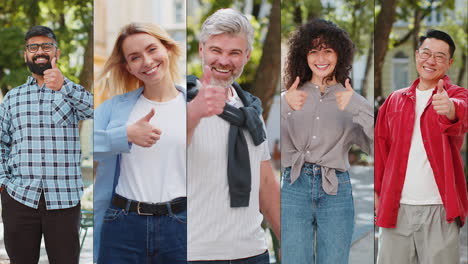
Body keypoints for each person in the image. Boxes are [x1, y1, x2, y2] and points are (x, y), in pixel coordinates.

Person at [186, 8, 280, 263]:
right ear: (201, 50)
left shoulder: (251, 111)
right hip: (193, 253)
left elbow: (266, 184)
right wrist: (193, 114)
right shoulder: (179, 101)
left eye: (234, 53)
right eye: (216, 50)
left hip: (253, 252)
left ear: (247, 56)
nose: (224, 61)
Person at [281, 19, 373, 264]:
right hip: (294, 185)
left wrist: (357, 105)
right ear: (304, 56)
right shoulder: (289, 96)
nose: (320, 58)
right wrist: (284, 106)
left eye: (327, 50)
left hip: (336, 188)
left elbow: (379, 144)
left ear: (339, 55)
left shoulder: (352, 98)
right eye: (313, 51)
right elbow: (267, 142)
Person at [93, 23, 187, 264]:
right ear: (128, 67)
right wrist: (126, 134)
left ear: (167, 49)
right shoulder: (115, 108)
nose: (146, 61)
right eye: (135, 57)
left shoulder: (193, 105)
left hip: (182, 225)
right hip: (123, 224)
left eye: (152, 49)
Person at [0, 25, 93, 264]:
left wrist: (65, 85)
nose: (39, 51)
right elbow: (1, 143)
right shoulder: (12, 98)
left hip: (64, 200)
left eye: (46, 46)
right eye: (33, 47)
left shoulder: (72, 92)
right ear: (26, 55)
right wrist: (3, 185)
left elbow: (97, 111)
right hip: (19, 198)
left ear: (57, 53)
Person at [375, 29, 468, 264]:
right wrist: (378, 193)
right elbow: (381, 149)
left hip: (440, 210)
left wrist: (450, 108)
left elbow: (462, 111)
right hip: (396, 209)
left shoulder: (456, 95)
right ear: (417, 55)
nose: (431, 61)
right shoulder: (394, 100)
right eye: (426, 53)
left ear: (449, 63)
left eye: (439, 56)